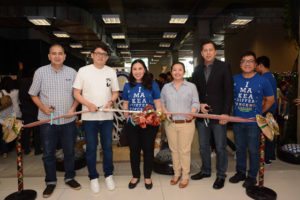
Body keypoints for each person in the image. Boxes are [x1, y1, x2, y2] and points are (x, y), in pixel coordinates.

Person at [29, 44, 81, 198]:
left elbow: (77, 94)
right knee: (48, 153)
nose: (57, 56)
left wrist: (72, 109)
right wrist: (43, 108)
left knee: (69, 152)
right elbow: (33, 94)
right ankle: (50, 181)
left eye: (60, 53)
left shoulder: (72, 72)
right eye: (54, 53)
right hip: (47, 121)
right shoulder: (40, 72)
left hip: (68, 121)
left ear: (65, 56)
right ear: (49, 56)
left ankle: (70, 177)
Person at [73, 43, 119, 193]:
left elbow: (115, 92)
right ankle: (93, 177)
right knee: (91, 148)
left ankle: (108, 175)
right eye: (98, 53)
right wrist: (88, 104)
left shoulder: (111, 72)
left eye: (104, 54)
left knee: (107, 147)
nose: (100, 56)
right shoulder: (83, 71)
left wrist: (111, 101)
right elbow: (76, 93)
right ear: (92, 55)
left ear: (107, 57)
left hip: (106, 116)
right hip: (89, 117)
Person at [190, 40, 233, 189]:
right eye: (205, 50)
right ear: (201, 53)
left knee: (220, 146)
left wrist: (226, 113)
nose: (208, 53)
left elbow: (229, 92)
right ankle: (206, 170)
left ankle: (221, 175)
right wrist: (199, 104)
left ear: (215, 52)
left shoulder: (224, 67)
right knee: (203, 146)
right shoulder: (196, 70)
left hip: (219, 115)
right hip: (203, 116)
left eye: (211, 50)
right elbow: (194, 92)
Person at [229, 51, 274, 188]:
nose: (247, 63)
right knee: (240, 148)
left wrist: (260, 113)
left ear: (255, 64)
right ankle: (240, 172)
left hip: (254, 123)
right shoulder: (234, 79)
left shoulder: (263, 80)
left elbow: (270, 99)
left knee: (254, 150)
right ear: (240, 64)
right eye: (244, 61)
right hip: (238, 121)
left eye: (250, 61)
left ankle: (251, 176)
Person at [122, 59, 161, 190]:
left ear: (144, 70)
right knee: (134, 150)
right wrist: (126, 116)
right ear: (131, 71)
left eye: (140, 68)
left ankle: (147, 176)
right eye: (134, 69)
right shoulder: (127, 86)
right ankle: (135, 176)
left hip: (149, 124)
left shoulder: (153, 84)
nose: (137, 71)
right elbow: (125, 103)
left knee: (148, 150)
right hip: (133, 124)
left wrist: (158, 115)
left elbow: (158, 102)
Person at [160, 62, 200, 188]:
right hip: (171, 123)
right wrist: (165, 111)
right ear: (171, 72)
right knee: (174, 150)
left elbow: (196, 102)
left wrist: (193, 112)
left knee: (184, 150)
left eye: (180, 70)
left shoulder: (191, 86)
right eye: (174, 70)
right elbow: (162, 102)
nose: (177, 72)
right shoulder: (166, 87)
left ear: (184, 72)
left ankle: (185, 176)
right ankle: (176, 174)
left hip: (186, 124)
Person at [256, 56, 277, 164]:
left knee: (265, 133)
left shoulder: (264, 78)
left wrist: (261, 110)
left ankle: (266, 158)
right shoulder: (272, 76)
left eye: (256, 65)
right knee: (271, 132)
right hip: (272, 109)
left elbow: (266, 97)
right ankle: (271, 156)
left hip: (266, 109)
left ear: (260, 65)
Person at [0, 76, 22, 158]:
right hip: (16, 113)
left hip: (4, 117)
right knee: (15, 132)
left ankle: (5, 151)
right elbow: (18, 102)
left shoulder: (1, 92)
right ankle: (17, 148)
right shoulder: (16, 91)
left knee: (5, 134)